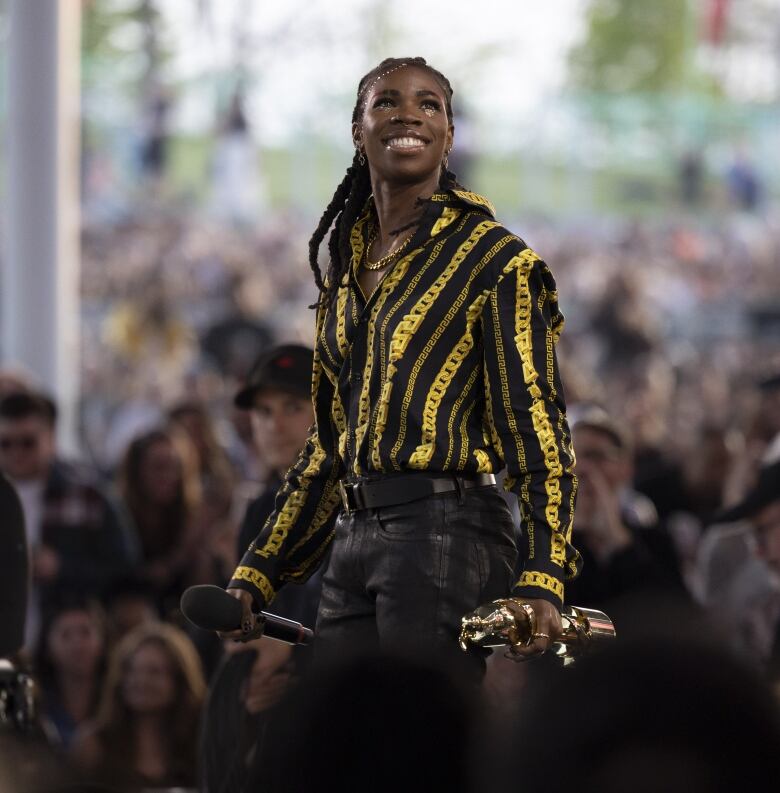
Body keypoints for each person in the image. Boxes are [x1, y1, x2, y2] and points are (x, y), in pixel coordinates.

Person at [225, 57, 580, 677]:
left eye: (429, 104)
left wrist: (545, 570)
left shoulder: (496, 260)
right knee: (339, 737)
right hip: (354, 530)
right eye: (386, 102)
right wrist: (259, 573)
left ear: (449, 135)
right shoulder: (343, 271)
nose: (408, 113)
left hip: (449, 525)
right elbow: (329, 445)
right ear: (357, 130)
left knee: (418, 743)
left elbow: (537, 425)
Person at [0, 392, 135, 649]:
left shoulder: (89, 496)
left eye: (28, 442)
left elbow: (126, 570)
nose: (16, 452)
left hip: (67, 653)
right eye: (5, 443)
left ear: (50, 439)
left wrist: (61, 568)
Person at [71, 622, 206, 790]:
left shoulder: (200, 745)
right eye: (130, 670)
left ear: (179, 681)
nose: (139, 681)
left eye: (154, 672)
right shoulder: (94, 745)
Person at [34, 597, 108, 749]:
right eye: (65, 635)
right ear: (47, 647)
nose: (78, 645)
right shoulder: (34, 706)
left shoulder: (117, 703)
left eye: (85, 633)